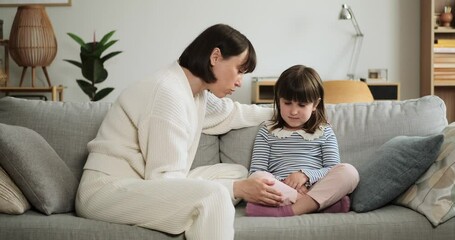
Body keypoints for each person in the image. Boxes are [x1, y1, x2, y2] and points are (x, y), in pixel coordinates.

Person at [75, 24, 284, 240]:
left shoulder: (195, 93)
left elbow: (234, 113)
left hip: (143, 180)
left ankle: (204, 215)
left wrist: (290, 113)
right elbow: (163, 179)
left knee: (237, 172)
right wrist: (237, 190)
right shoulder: (167, 92)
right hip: (107, 191)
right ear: (215, 56)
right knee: (218, 195)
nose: (240, 81)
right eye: (239, 70)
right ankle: (208, 212)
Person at [245, 65, 360, 217]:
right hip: (282, 189)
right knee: (257, 177)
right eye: (287, 103)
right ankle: (313, 205)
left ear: (315, 105)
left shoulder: (324, 131)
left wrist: (305, 176)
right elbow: (256, 170)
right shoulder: (267, 130)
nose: (293, 111)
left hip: (315, 188)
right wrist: (289, 185)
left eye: (301, 105)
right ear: (278, 100)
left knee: (349, 172)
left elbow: (332, 168)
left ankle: (290, 210)